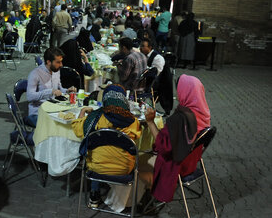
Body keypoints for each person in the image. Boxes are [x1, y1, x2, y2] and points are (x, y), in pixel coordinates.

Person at [141, 75, 210, 203]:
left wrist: (150, 122)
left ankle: (142, 200)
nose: (177, 92)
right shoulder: (203, 112)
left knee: (139, 161)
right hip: (192, 161)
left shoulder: (181, 119)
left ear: (186, 92)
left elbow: (163, 147)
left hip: (178, 165)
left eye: (179, 88)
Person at [73, 84, 142, 206]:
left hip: (97, 168)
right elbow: (137, 136)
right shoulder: (133, 121)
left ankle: (94, 194)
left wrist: (83, 110)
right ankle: (122, 201)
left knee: (96, 153)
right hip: (124, 169)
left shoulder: (96, 118)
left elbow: (78, 129)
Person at [26, 47, 71, 127]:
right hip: (38, 113)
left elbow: (59, 89)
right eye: (58, 62)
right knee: (57, 126)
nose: (61, 65)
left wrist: (67, 91)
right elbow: (30, 96)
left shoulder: (56, 71)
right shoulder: (35, 74)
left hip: (53, 109)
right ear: (49, 62)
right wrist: (50, 91)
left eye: (61, 62)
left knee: (71, 120)